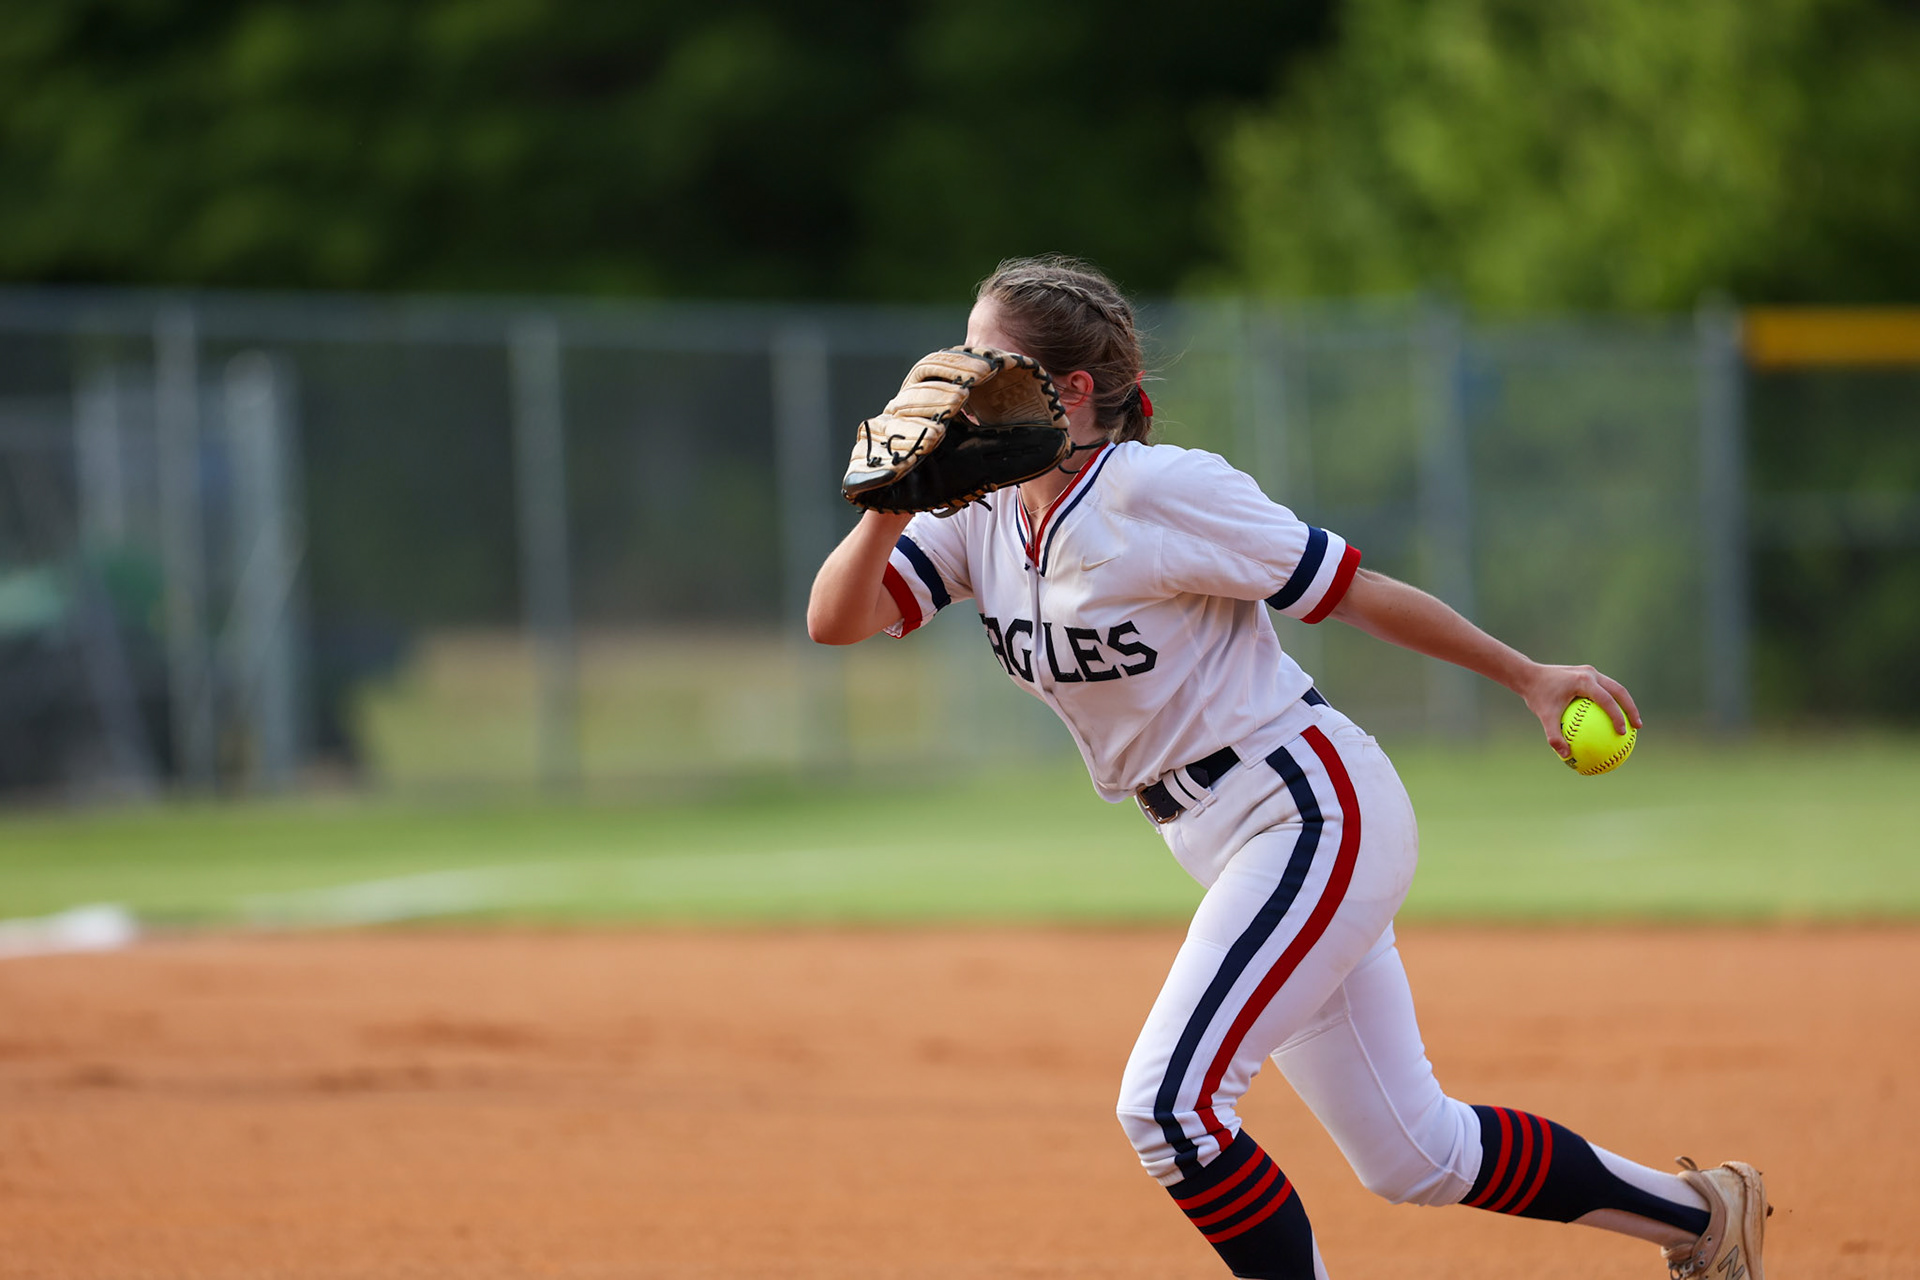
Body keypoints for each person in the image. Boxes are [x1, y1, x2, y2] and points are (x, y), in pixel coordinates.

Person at [806, 254, 1768, 1280]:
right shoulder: (983, 515)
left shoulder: (1160, 491)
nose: (957, 378)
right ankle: (1704, 1218)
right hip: (1219, 836)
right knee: (1416, 1151)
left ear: (1072, 391)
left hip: (1308, 810)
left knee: (1169, 1106)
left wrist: (1525, 673)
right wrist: (891, 503)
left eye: (986, 357)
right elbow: (836, 619)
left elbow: (1352, 587)